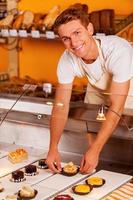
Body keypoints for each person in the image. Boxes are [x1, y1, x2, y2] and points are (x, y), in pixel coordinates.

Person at [46, 5, 133, 174]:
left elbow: (116, 107)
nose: (74, 43)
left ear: (90, 29)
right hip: (97, 88)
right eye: (66, 38)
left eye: (77, 33)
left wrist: (95, 150)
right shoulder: (67, 60)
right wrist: (53, 148)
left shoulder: (118, 50)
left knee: (127, 130)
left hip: (128, 87)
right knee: (92, 126)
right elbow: (60, 106)